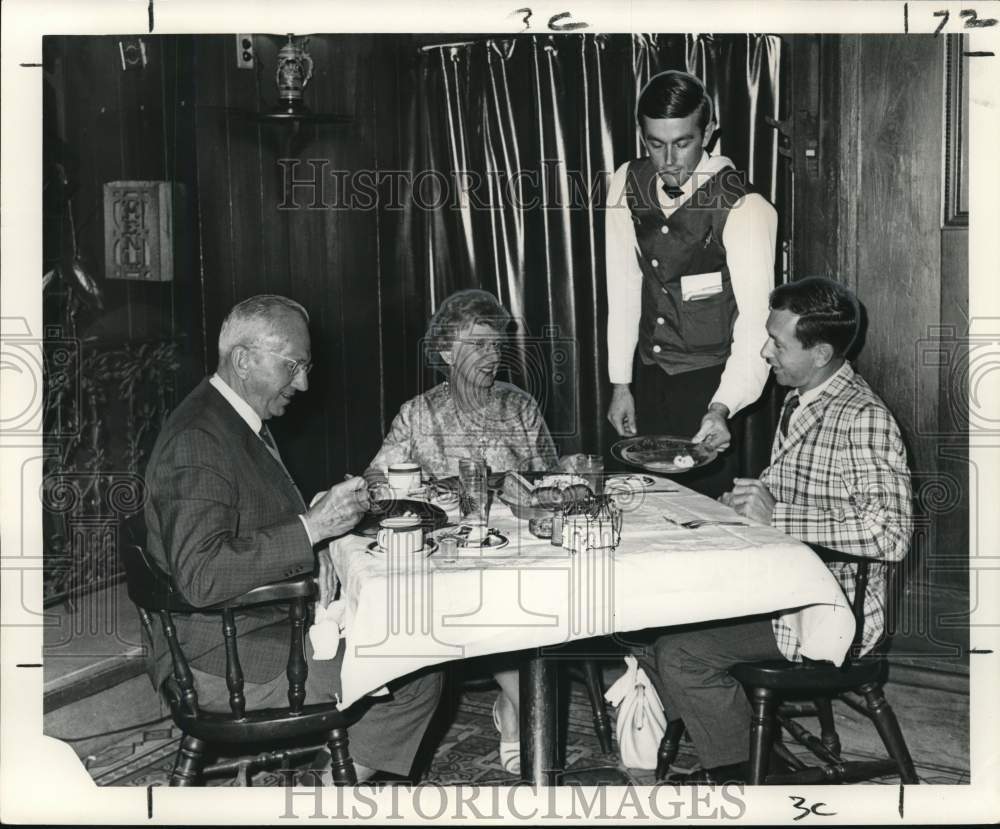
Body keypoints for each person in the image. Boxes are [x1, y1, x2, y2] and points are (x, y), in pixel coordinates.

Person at [143, 294, 443, 783]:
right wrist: (312, 528)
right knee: (417, 668)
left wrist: (313, 537)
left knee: (400, 639)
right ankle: (320, 802)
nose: (303, 383)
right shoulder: (199, 438)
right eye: (294, 366)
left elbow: (242, 521)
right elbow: (200, 576)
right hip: (223, 659)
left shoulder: (227, 417)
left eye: (306, 366)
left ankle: (320, 783)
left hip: (245, 627)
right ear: (244, 359)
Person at [638, 277, 913, 783]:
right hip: (786, 582)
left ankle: (744, 775)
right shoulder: (804, 396)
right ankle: (741, 741)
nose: (764, 352)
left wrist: (776, 515)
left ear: (821, 352)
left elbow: (890, 535)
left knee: (681, 652)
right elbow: (796, 493)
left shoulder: (863, 418)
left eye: (777, 343)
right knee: (640, 618)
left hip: (830, 608)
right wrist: (746, 505)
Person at [364, 288, 559, 775]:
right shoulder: (419, 413)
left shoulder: (519, 405)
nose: (491, 356)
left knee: (520, 591)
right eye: (478, 345)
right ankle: (521, 706)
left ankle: (516, 706)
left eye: (496, 345)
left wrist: (534, 495)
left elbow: (548, 478)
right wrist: (428, 496)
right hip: (452, 554)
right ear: (446, 352)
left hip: (515, 547)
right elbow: (376, 482)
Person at [605, 69, 778, 496]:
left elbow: (758, 322)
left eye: (682, 143)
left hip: (713, 380)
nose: (668, 161)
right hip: (648, 375)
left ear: (709, 131)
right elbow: (624, 289)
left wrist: (722, 407)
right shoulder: (626, 182)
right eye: (655, 144)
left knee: (704, 517)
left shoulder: (745, 206)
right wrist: (620, 383)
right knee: (638, 502)